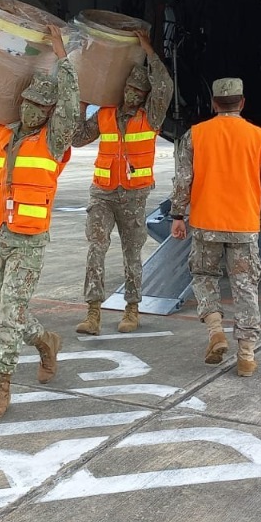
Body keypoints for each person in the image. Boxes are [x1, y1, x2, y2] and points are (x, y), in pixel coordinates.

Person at [0, 24, 80, 421]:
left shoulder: (55, 139)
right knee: (7, 306)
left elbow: (73, 106)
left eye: (40, 107)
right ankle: (45, 341)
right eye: (27, 102)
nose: (30, 110)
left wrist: (62, 57)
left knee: (9, 314)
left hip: (27, 239)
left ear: (49, 112)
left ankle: (0, 385)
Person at [169, 77, 261, 377]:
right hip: (243, 226)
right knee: (246, 287)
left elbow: (183, 180)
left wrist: (177, 215)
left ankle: (215, 331)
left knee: (203, 276)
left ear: (213, 103)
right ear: (242, 102)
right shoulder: (258, 137)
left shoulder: (195, 135)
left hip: (205, 225)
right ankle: (247, 355)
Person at [71, 30, 174, 334]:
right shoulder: (106, 114)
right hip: (102, 193)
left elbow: (164, 87)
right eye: (128, 88)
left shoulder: (151, 117)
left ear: (144, 96)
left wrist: (149, 51)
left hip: (133, 195)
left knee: (132, 252)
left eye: (137, 91)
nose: (131, 94)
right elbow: (77, 139)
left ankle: (131, 309)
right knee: (96, 249)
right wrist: (81, 107)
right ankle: (93, 313)